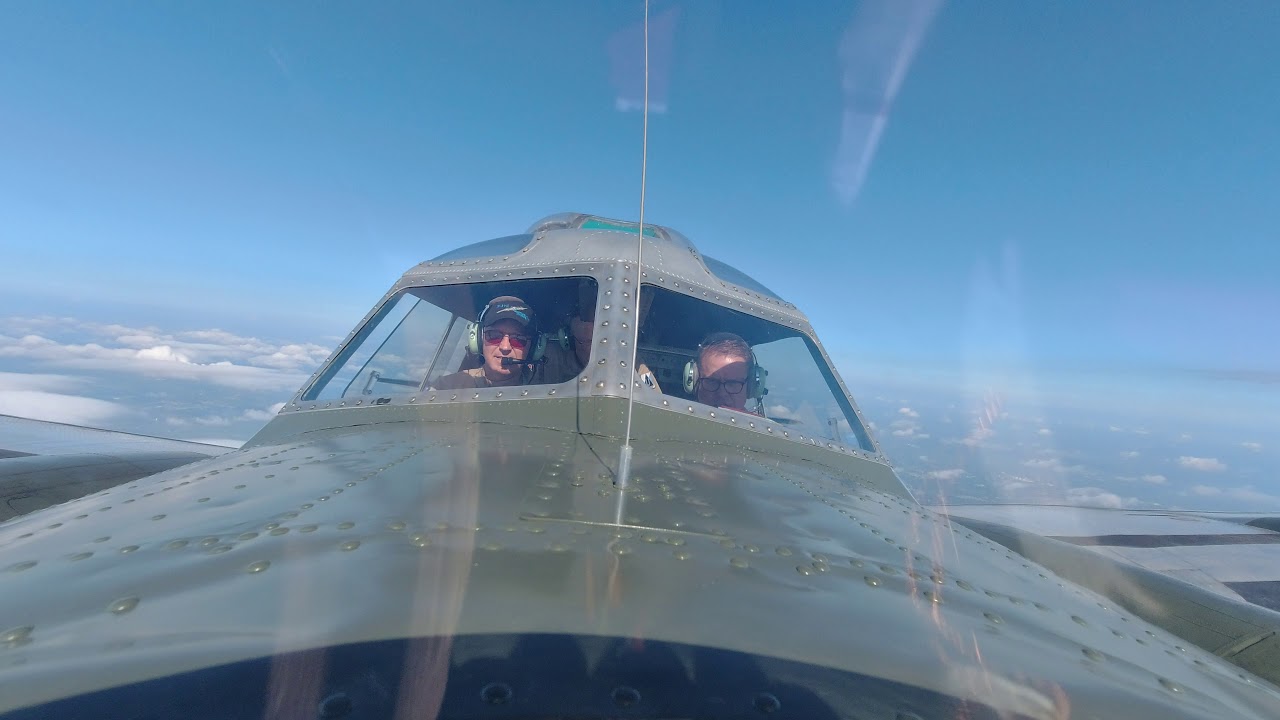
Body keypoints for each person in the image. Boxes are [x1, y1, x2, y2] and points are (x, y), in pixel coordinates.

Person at [435, 296, 542, 390]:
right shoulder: (445, 388)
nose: (505, 347)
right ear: (478, 339)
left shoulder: (548, 390)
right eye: (494, 335)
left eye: (518, 339)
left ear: (533, 346)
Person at [689, 332, 761, 414]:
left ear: (751, 387)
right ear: (695, 381)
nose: (722, 394)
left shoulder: (761, 426)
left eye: (733, 383)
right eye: (712, 381)